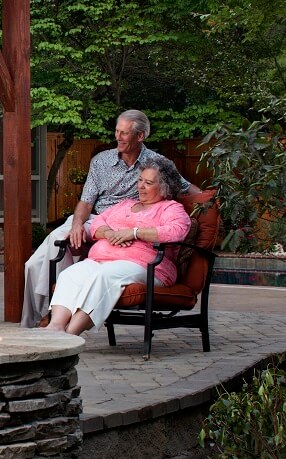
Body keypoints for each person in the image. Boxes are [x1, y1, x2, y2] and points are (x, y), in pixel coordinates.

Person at [22, 110, 205, 326]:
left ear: (140, 136)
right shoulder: (101, 161)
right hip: (96, 219)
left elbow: (183, 187)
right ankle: (32, 321)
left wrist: (209, 200)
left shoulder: (157, 164)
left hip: (130, 224)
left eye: (124, 133)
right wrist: (79, 224)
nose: (118, 137)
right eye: (117, 131)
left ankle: (55, 318)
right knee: (36, 262)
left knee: (89, 269)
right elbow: (86, 201)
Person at [44, 157, 191, 336]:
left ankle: (70, 334)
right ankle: (55, 327)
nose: (141, 186)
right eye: (140, 180)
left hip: (146, 266)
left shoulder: (170, 208)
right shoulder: (125, 205)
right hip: (101, 261)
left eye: (148, 183)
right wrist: (108, 233)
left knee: (105, 275)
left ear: (164, 187)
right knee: (70, 274)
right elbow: (98, 222)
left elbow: (176, 231)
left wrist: (134, 233)